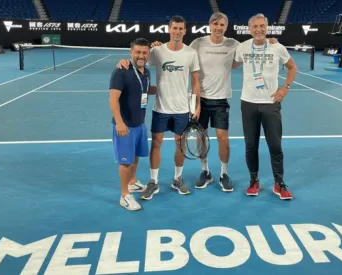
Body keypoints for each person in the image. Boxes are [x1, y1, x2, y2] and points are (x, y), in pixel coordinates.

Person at [117, 12, 277, 193]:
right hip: (180, 103)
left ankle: (215, 175)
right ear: (210, 26)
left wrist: (271, 42)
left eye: (222, 25)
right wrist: (126, 61)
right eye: (215, 25)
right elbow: (147, 58)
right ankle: (193, 173)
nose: (218, 28)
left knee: (216, 139)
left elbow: (249, 50)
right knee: (184, 140)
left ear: (226, 27)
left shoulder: (229, 45)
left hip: (212, 101)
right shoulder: (189, 46)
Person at [233, 13, 296, 200]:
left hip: (271, 103)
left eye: (262, 26)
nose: (259, 29)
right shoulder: (243, 47)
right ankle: (254, 180)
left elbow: (292, 67)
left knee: (275, 145)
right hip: (248, 103)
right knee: (251, 145)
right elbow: (231, 64)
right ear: (249, 28)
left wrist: (285, 88)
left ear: (267, 28)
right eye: (255, 27)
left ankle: (279, 183)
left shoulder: (277, 47)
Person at [139, 15, 201, 200]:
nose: (177, 32)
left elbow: (196, 81)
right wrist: (126, 62)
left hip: (182, 108)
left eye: (181, 28)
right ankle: (153, 181)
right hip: (161, 108)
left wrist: (196, 105)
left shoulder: (191, 53)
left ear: (185, 31)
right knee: (156, 144)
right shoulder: (158, 51)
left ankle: (177, 179)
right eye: (174, 28)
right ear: (169, 29)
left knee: (180, 145)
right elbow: (140, 63)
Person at [109, 37, 156, 211]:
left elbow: (146, 90)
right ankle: (124, 196)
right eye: (138, 52)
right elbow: (113, 99)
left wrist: (166, 89)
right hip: (125, 126)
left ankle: (132, 182)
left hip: (140, 124)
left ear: (148, 53)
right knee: (125, 162)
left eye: (144, 52)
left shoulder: (147, 72)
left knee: (135, 156)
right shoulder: (121, 71)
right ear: (131, 52)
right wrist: (120, 123)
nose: (141, 55)